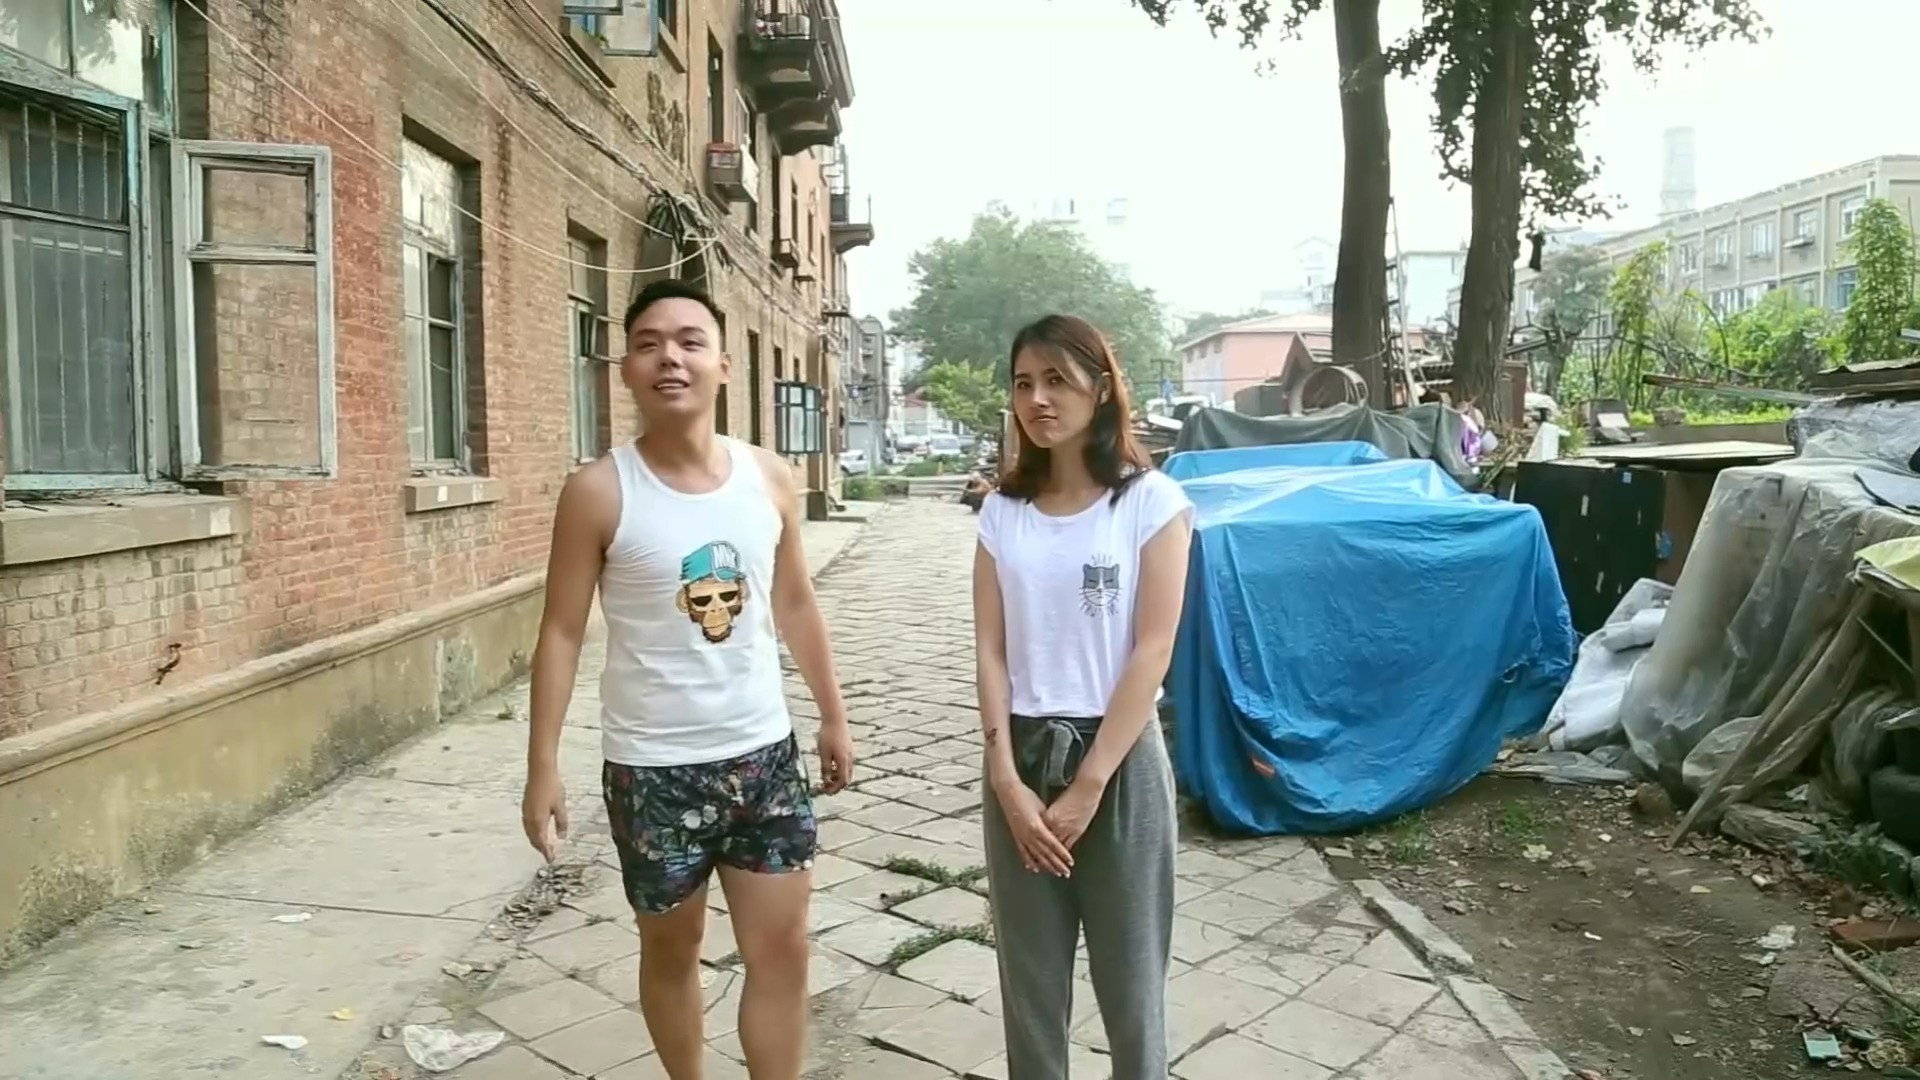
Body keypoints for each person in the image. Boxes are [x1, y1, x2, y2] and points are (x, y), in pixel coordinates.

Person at [521, 279, 855, 1080]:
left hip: (763, 758)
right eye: (648, 344)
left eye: (689, 341)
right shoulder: (599, 491)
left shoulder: (768, 477)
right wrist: (542, 766)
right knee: (673, 951)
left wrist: (833, 714)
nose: (670, 357)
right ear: (626, 370)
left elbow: (795, 601)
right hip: (653, 772)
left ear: (723, 366)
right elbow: (561, 632)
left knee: (783, 949)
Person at [972, 314, 1195, 1080]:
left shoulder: (1150, 503)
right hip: (1021, 757)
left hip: (1120, 758)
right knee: (1030, 991)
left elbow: (1154, 647)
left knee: (1132, 991)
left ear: (1101, 390)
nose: (1037, 399)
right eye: (1023, 383)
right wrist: (1006, 780)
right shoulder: (1002, 513)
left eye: (1056, 380)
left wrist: (1091, 782)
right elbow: (991, 648)